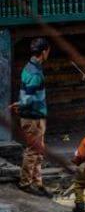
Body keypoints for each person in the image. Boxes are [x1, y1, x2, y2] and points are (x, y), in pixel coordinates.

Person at [11, 38, 51, 196]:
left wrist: (19, 103)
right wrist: (21, 104)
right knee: (33, 151)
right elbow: (28, 98)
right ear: (44, 52)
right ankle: (26, 183)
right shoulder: (35, 72)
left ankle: (37, 182)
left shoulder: (29, 67)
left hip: (34, 115)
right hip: (33, 117)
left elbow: (26, 94)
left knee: (38, 150)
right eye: (48, 51)